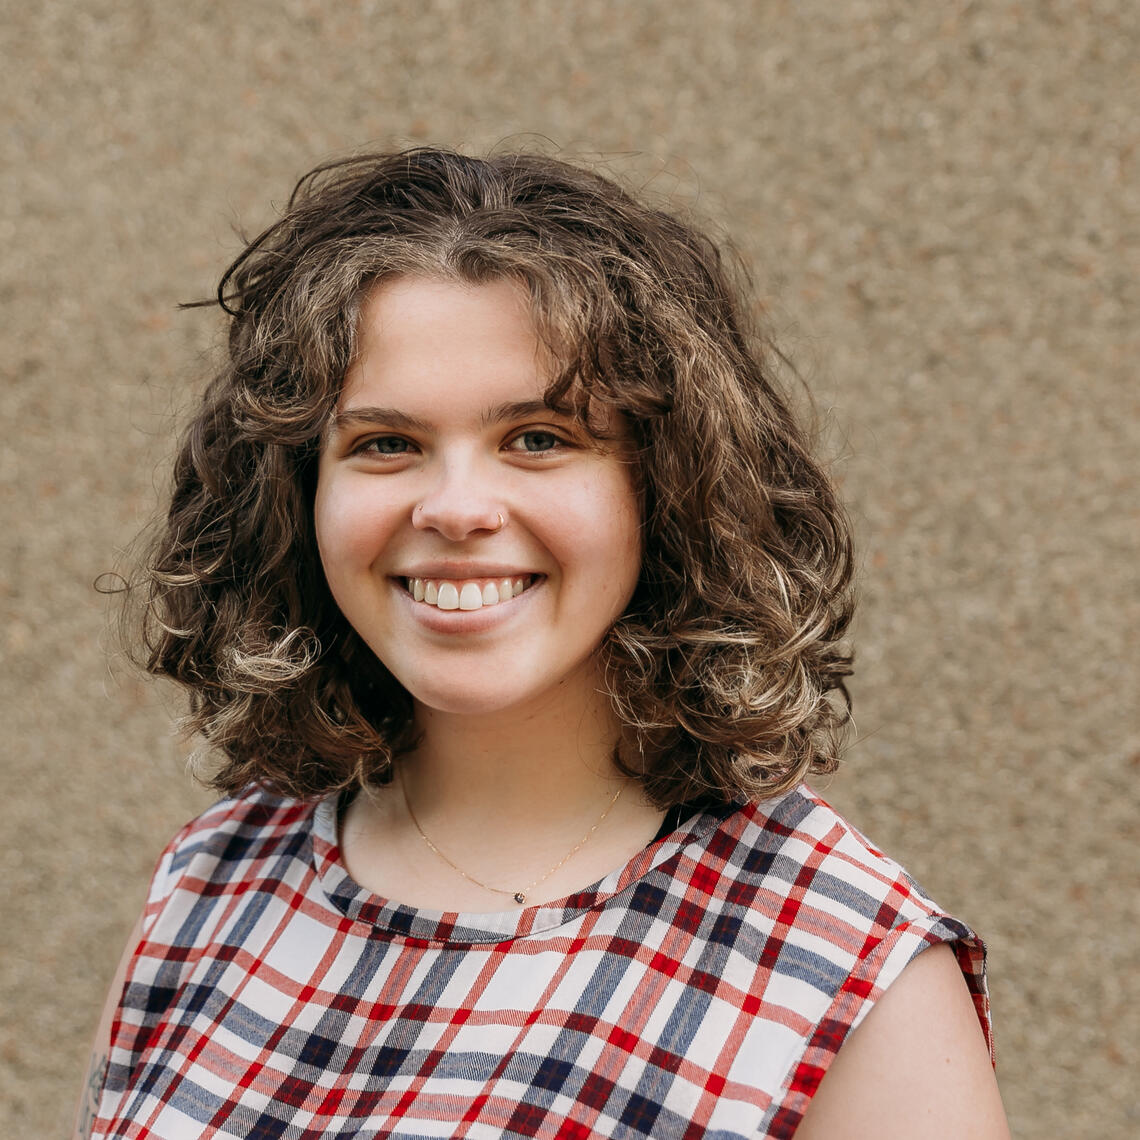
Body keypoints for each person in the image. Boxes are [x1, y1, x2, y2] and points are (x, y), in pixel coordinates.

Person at [76, 148, 1009, 1139]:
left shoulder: (850, 980)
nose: (457, 508)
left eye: (539, 438)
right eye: (386, 443)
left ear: (668, 487)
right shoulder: (210, 885)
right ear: (298, 495)